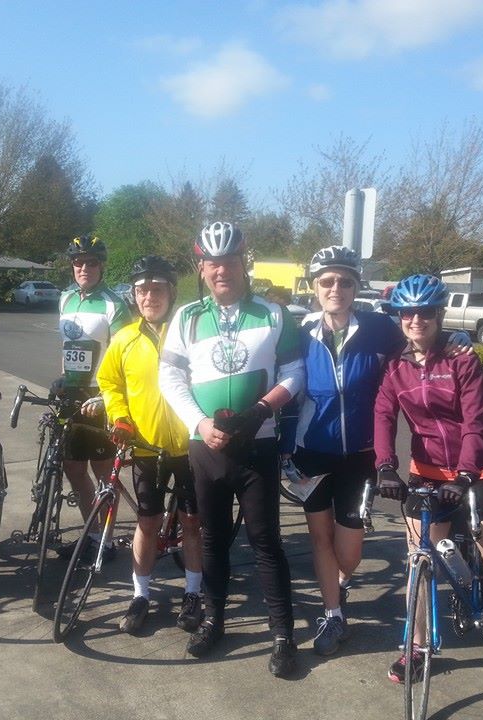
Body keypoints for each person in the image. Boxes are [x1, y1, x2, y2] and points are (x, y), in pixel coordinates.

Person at [373, 273, 483, 704]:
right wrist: (385, 466)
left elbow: (475, 421)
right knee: (418, 562)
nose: (416, 320)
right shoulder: (394, 365)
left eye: (425, 312)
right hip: (426, 472)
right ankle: (416, 647)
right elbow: (384, 415)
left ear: (439, 313)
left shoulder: (461, 358)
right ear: (399, 316)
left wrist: (466, 473)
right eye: (407, 313)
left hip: (479, 471)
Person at [160, 221, 305, 678]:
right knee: (213, 539)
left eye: (230, 262)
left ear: (244, 264)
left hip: (256, 445)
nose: (222, 270)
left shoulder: (274, 314)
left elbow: (295, 373)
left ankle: (283, 635)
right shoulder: (186, 317)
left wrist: (261, 409)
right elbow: (170, 378)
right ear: (201, 268)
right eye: (213, 263)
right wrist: (200, 423)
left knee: (266, 542)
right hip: (206, 447)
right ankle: (214, 620)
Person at [280, 245, 406, 657]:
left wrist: (455, 340)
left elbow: (419, 345)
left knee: (348, 551)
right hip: (311, 452)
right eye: (327, 281)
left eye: (345, 282)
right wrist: (284, 450)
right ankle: (332, 614)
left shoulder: (379, 329)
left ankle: (341, 582)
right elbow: (285, 389)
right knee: (320, 538)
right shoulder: (300, 333)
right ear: (315, 287)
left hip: (360, 455)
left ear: (355, 287)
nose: (336, 288)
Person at [96, 255, 205, 635]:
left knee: (192, 523)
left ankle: (193, 593)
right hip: (146, 447)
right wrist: (120, 416)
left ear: (171, 292)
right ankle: (140, 595)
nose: (149, 297)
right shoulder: (124, 338)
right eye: (141, 290)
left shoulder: (191, 333)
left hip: (190, 445)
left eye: (157, 289)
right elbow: (109, 382)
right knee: (147, 522)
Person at [56, 235, 131, 558]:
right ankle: (92, 532)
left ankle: (107, 541)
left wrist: (107, 397)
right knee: (73, 468)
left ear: (101, 266)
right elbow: (68, 347)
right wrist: (62, 377)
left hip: (101, 397)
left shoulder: (114, 304)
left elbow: (125, 357)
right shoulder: (65, 298)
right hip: (71, 394)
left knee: (104, 473)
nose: (84, 267)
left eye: (91, 262)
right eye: (78, 262)